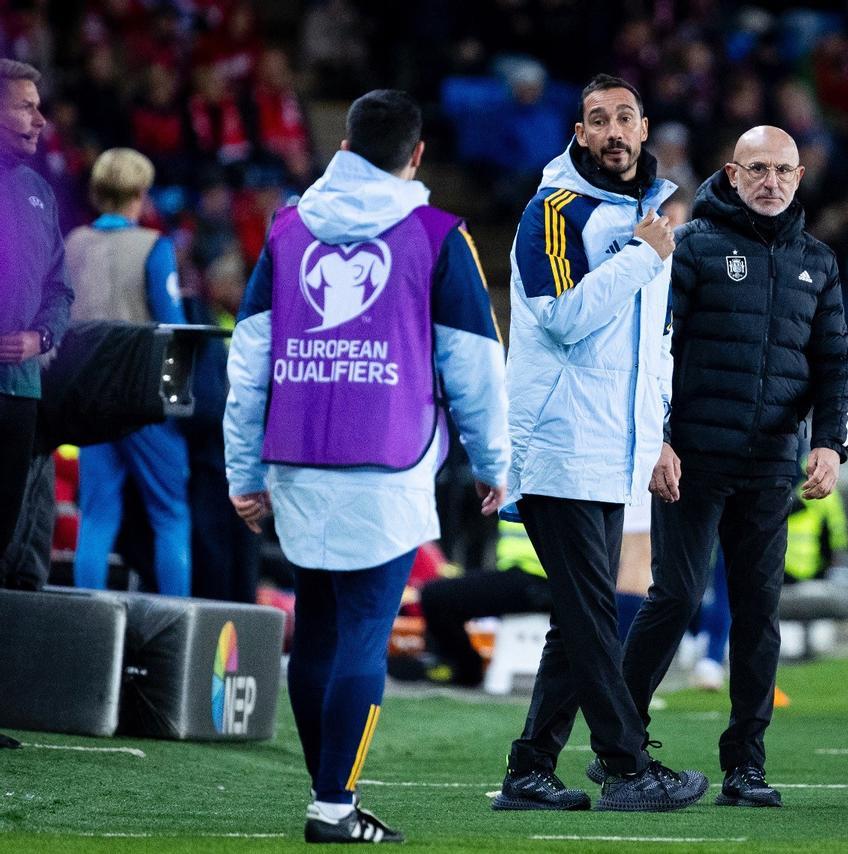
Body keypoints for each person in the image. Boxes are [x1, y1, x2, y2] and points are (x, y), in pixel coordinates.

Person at [224, 89, 509, 843]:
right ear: (416, 156)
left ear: (344, 146)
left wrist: (241, 468)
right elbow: (475, 366)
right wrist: (492, 462)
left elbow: (248, 360)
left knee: (315, 630)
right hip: (389, 460)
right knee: (361, 635)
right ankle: (332, 805)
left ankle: (330, 796)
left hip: (296, 454)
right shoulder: (437, 234)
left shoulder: (286, 232)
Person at [619, 125, 848, 807]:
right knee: (674, 597)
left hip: (768, 467)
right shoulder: (692, 246)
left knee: (759, 614)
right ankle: (622, 747)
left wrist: (830, 444)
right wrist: (657, 440)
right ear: (730, 173)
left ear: (799, 176)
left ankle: (745, 767)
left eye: (783, 170)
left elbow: (838, 361)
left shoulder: (817, 260)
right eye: (757, 169)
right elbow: (652, 348)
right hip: (691, 460)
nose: (771, 182)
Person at [494, 73, 707, 813]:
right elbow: (561, 319)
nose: (614, 131)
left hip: (612, 450)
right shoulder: (553, 210)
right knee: (591, 616)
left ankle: (529, 770)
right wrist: (643, 256)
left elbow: (652, 350)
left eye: (625, 117)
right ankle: (624, 765)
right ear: (578, 134)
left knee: (578, 619)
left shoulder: (647, 217)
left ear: (645, 128)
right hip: (557, 444)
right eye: (597, 120)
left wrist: (660, 439)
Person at [64, 147, 192, 596]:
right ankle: (180, 629)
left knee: (97, 515)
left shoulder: (73, 245)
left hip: (89, 400)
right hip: (143, 402)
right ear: (141, 193)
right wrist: (175, 404)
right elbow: (173, 328)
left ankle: (86, 623)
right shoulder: (155, 247)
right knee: (171, 513)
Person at [0, 59, 72, 575]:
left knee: (3, 528)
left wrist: (39, 337)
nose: (40, 120)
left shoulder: (39, 194)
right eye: (26, 107)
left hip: (21, 388)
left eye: (39, 107)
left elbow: (60, 291)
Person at [420, 519, 551, 687]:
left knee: (436, 597)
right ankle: (464, 669)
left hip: (540, 582)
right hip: (527, 577)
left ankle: (465, 670)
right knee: (438, 595)